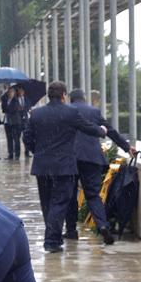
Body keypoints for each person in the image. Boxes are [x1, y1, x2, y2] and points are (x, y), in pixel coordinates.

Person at [22, 81, 108, 253]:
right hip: (63, 167)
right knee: (59, 202)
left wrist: (38, 151)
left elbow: (27, 137)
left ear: (49, 95)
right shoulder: (70, 113)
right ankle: (52, 241)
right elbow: (89, 128)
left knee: (47, 203)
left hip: (43, 167)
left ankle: (52, 235)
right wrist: (102, 131)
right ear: (63, 96)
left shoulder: (37, 114)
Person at [68, 89, 136, 245]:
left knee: (70, 195)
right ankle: (103, 225)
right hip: (92, 158)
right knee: (93, 195)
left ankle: (71, 231)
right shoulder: (93, 111)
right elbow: (110, 131)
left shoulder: (67, 111)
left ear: (70, 99)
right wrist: (126, 147)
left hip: (71, 159)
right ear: (84, 99)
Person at [3, 85, 26, 159]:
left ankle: (17, 154)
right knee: (9, 139)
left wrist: (7, 108)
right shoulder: (5, 100)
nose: (10, 94)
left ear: (14, 93)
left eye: (11, 92)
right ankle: (10, 154)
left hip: (15, 123)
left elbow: (11, 110)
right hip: (7, 122)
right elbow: (4, 109)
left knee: (16, 140)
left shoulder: (16, 101)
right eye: (8, 92)